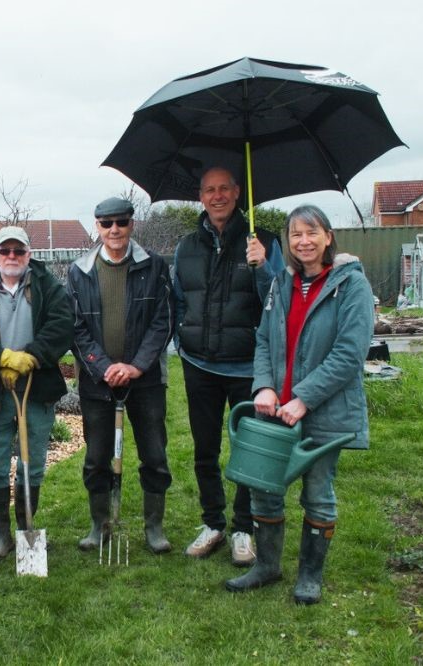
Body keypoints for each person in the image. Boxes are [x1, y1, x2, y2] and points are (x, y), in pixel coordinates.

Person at [225, 204, 373, 604]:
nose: (303, 242)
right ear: (287, 242)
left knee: (318, 492)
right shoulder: (281, 284)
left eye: (312, 233)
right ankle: (267, 566)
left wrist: (304, 399)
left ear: (328, 236)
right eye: (295, 234)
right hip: (275, 409)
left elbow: (348, 354)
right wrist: (264, 387)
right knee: (263, 490)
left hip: (324, 410)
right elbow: (263, 340)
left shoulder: (351, 286)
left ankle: (310, 575)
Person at [172, 166, 284, 566]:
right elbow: (179, 300)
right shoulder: (187, 246)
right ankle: (213, 523)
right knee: (205, 449)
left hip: (247, 366)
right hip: (199, 364)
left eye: (224, 189)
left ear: (238, 193)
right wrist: (181, 339)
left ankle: (242, 528)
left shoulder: (264, 242)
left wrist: (264, 267)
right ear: (201, 197)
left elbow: (278, 304)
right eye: (209, 190)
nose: (217, 196)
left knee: (246, 451)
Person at [0, 226, 73, 561]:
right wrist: (2, 358)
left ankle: (25, 531)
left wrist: (30, 356)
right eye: (4, 251)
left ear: (29, 255)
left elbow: (62, 325)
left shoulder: (48, 286)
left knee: (31, 464)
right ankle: (1, 535)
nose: (11, 257)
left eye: (18, 251)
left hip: (36, 390)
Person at [67, 197, 174, 554]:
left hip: (145, 381)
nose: (114, 230)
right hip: (97, 382)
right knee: (97, 456)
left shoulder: (154, 267)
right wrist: (103, 366)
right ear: (96, 226)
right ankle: (100, 524)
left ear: (132, 224)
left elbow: (164, 320)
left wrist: (136, 365)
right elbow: (76, 327)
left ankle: (153, 526)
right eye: (107, 223)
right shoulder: (78, 271)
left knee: (154, 453)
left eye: (121, 222)